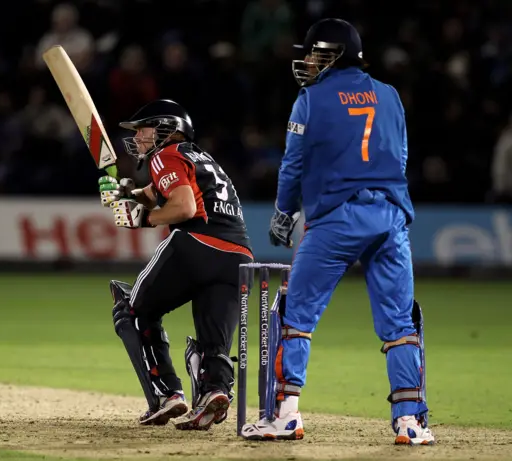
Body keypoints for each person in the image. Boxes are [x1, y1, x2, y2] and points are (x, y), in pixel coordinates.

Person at [240, 19, 435, 445]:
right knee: (400, 324)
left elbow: (294, 163)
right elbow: (399, 156)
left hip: (337, 219)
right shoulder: (390, 95)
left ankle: (285, 415)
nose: (307, 60)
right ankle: (411, 422)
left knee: (294, 316)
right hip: (390, 217)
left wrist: (283, 211)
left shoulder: (309, 98)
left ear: (334, 54)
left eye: (314, 53)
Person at [99, 99, 253, 430]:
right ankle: (214, 393)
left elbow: (182, 207)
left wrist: (143, 219)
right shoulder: (200, 158)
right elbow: (159, 191)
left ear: (168, 129)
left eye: (143, 129)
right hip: (238, 257)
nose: (138, 137)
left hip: (196, 245)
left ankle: (167, 394)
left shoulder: (165, 155)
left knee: (133, 312)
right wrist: (125, 193)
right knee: (214, 341)